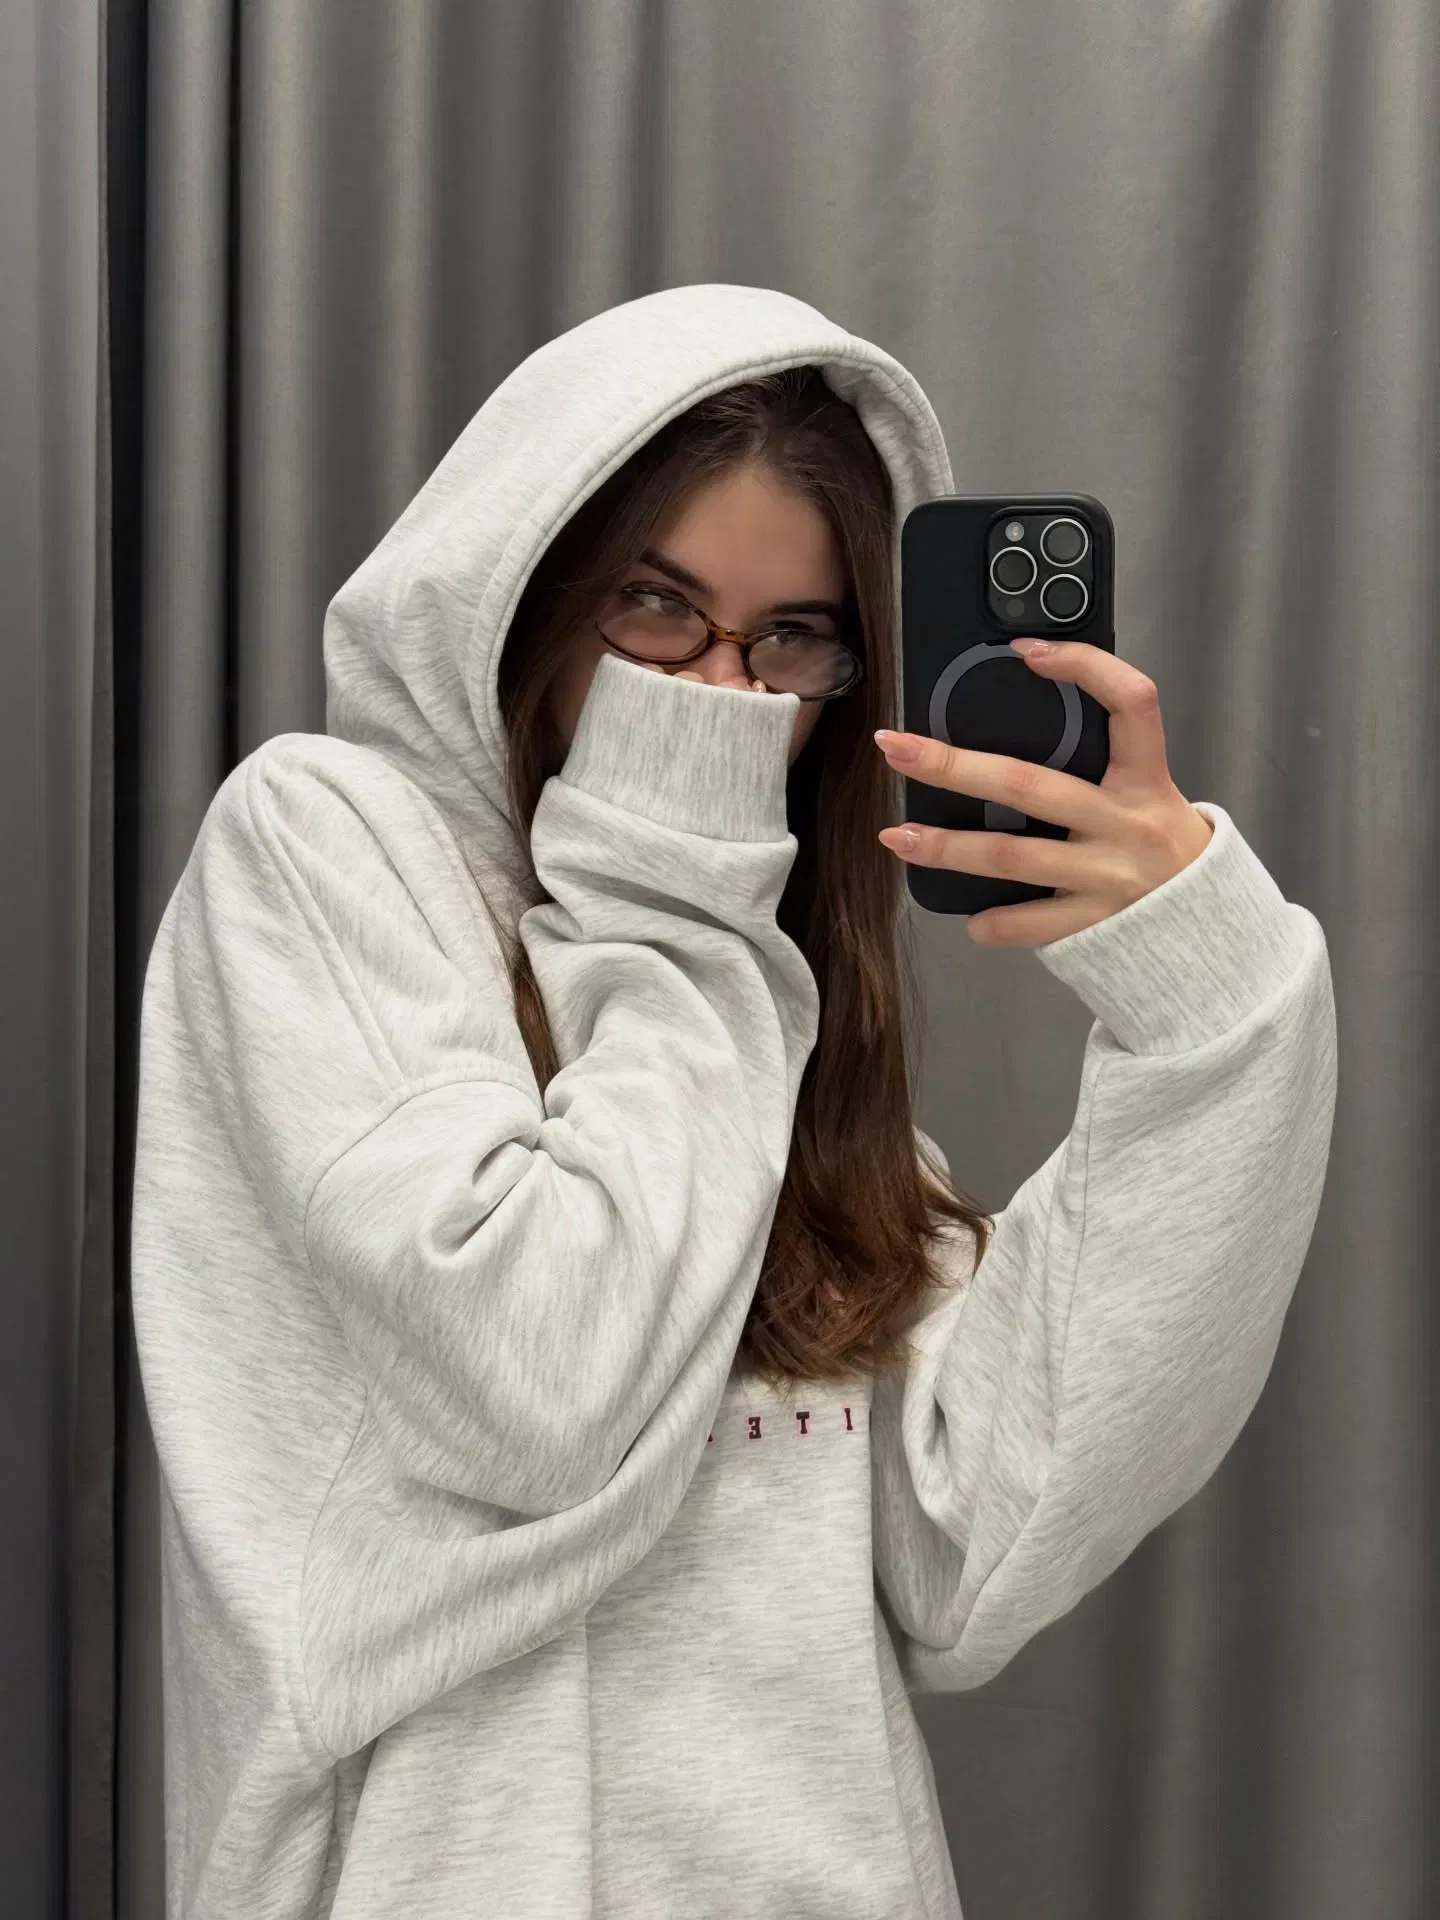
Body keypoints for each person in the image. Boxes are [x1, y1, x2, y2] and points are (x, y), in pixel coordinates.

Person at [130, 283, 1337, 1919]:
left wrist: (1212, 1007)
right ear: (528, 595)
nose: (717, 695)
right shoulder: (321, 848)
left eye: (790, 639)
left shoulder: (761, 1005)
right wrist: (683, 891)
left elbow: (973, 1549)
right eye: (654, 607)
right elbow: (536, 1386)